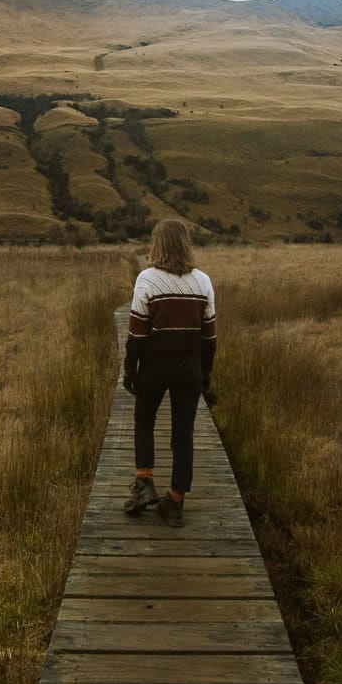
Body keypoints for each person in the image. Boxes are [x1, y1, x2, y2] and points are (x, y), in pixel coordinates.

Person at [121, 219, 216, 527]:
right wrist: (205, 374)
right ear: (186, 244)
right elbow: (209, 337)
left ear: (156, 244)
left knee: (144, 420)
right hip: (188, 367)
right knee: (183, 434)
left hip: (154, 366)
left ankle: (144, 484)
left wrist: (129, 369)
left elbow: (136, 333)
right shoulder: (202, 281)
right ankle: (175, 501)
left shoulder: (147, 279)